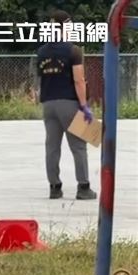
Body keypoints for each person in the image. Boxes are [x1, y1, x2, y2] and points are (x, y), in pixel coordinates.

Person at [36, 9, 96, 200]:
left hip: (48, 105)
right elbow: (79, 80)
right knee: (78, 146)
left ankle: (54, 187)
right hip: (69, 103)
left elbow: (39, 80)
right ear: (65, 26)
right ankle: (84, 187)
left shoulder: (42, 51)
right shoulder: (73, 50)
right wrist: (84, 105)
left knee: (52, 147)